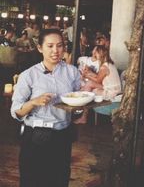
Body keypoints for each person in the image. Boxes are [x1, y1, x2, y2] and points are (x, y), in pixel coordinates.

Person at [10, 29, 84, 187]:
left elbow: (77, 107)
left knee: (59, 180)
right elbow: (16, 111)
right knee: (32, 181)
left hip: (62, 135)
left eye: (59, 45)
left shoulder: (73, 73)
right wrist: (33, 102)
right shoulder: (28, 75)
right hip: (36, 136)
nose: (55, 51)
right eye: (50, 46)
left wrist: (81, 108)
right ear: (40, 48)